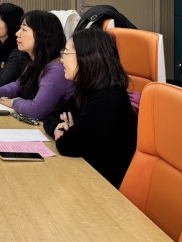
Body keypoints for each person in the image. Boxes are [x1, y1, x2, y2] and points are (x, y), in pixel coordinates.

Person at [43, 28, 137, 188]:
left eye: (66, 53)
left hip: (104, 188)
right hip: (86, 174)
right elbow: (50, 117)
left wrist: (68, 133)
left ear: (86, 58)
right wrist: (60, 127)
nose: (61, 60)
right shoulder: (88, 90)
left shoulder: (107, 100)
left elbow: (67, 146)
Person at [0, 10, 72, 119]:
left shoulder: (56, 70)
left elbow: (36, 110)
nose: (17, 33)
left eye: (23, 29)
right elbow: (20, 85)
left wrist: (13, 102)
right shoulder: (33, 61)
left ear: (41, 35)